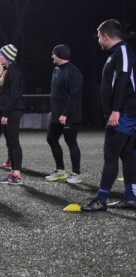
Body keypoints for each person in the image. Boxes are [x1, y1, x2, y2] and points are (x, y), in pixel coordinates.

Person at [81, 20, 136, 211]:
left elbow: (122, 81)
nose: (98, 41)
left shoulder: (122, 52)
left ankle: (101, 199)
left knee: (110, 155)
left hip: (124, 114)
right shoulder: (117, 54)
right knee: (127, 155)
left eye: (99, 37)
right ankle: (131, 197)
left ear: (105, 36)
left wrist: (116, 110)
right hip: (125, 112)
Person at [44, 44, 84, 183]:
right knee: (51, 139)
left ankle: (76, 174)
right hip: (57, 115)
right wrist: (53, 110)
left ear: (59, 55)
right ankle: (60, 171)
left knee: (71, 142)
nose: (52, 56)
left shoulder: (73, 72)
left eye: (53, 53)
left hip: (69, 116)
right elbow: (57, 94)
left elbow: (74, 95)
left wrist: (65, 114)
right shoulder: (56, 70)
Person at [0, 44, 25, 185]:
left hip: (13, 111)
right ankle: (13, 172)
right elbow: (3, 96)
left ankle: (17, 174)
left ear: (7, 57)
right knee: (10, 142)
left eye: (1, 54)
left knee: (14, 142)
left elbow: (14, 95)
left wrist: (6, 113)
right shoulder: (6, 71)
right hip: (7, 111)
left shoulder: (15, 71)